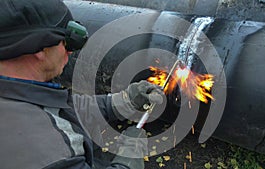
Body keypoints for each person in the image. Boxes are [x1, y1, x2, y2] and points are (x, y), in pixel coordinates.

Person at [0, 0, 163, 169]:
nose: (70, 51)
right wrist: (128, 162)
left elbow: (59, 109)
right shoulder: (51, 154)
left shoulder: (19, 92)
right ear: (38, 48)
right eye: (67, 41)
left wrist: (122, 102)